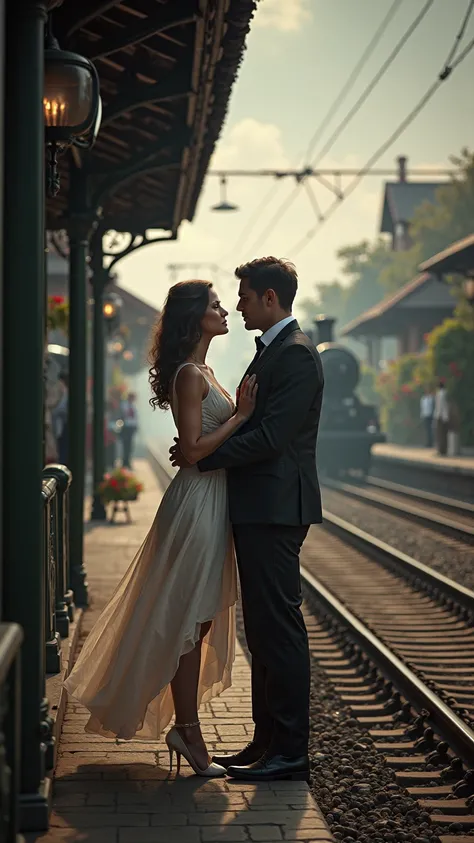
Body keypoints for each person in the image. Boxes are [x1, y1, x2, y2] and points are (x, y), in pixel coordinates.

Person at [64, 281, 257, 778]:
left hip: (211, 501)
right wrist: (240, 417)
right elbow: (192, 450)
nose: (225, 310)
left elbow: (195, 446)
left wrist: (233, 419)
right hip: (197, 504)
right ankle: (189, 731)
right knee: (190, 620)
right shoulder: (191, 375)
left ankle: (186, 728)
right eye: (216, 305)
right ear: (196, 318)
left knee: (199, 618)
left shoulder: (205, 370)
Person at [171, 257, 324, 783]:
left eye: (244, 296)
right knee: (262, 629)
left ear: (270, 299)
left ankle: (290, 750)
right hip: (259, 506)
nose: (237, 305)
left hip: (277, 508)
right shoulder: (273, 351)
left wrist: (199, 457)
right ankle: (266, 741)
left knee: (279, 629)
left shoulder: (297, 356)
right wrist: (199, 448)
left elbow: (271, 438)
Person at [120, 391, 138, 468]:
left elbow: (135, 418)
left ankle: (127, 461)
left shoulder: (133, 406)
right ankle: (125, 462)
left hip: (131, 427)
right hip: (126, 427)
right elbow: (123, 415)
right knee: (125, 445)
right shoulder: (124, 405)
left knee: (130, 446)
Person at [434, 380, 449, 456]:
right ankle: (443, 450)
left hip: (440, 416)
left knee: (440, 434)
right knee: (444, 435)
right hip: (444, 416)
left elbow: (440, 406)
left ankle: (441, 450)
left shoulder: (440, 394)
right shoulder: (444, 393)